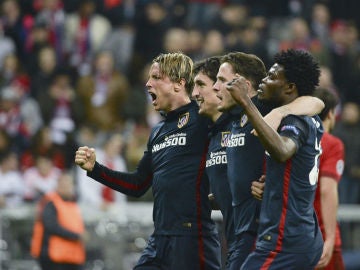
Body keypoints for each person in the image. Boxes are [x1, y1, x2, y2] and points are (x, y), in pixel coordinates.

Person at [75, 52, 221, 270]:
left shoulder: (203, 118)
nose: (147, 83)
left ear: (178, 84)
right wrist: (95, 169)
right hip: (159, 238)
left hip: (192, 236)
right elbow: (137, 184)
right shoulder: (158, 131)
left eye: (156, 77)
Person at [213, 51, 324, 268]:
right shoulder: (300, 117)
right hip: (299, 232)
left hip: (285, 237)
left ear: (290, 87)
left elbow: (282, 150)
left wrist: (246, 101)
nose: (264, 80)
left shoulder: (295, 120)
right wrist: (272, 182)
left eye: (272, 77)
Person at [192, 56, 237, 269]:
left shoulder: (245, 121)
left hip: (259, 241)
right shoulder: (210, 133)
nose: (195, 94)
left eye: (201, 85)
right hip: (234, 241)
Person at [312, 88, 345, 270]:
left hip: (293, 236)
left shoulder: (292, 139)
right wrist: (330, 238)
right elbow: (327, 189)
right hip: (322, 235)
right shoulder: (332, 144)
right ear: (331, 114)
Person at [31, 172, 86, 270]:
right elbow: (51, 226)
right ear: (57, 186)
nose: (67, 188)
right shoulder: (50, 202)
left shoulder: (72, 204)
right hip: (53, 256)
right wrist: (76, 236)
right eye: (63, 184)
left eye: (69, 185)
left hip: (71, 256)